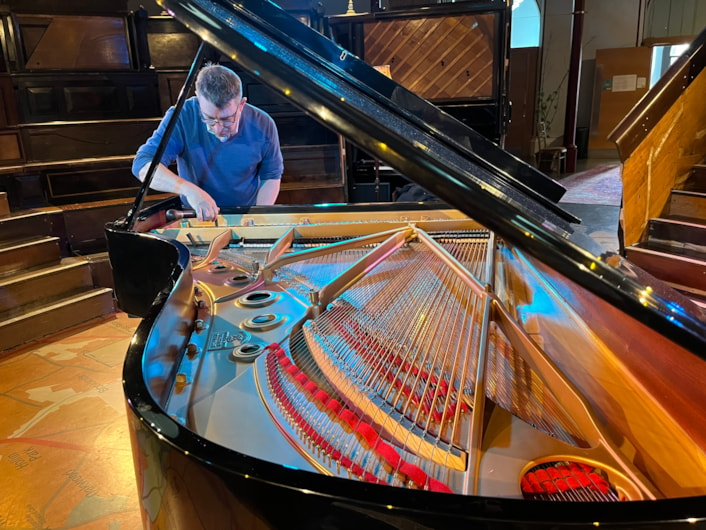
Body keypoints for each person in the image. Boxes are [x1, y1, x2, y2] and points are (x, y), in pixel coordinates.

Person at [132, 63, 284, 221]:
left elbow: (271, 176)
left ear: (241, 105)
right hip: (196, 216)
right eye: (209, 119)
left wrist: (258, 216)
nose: (217, 129)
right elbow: (143, 165)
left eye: (227, 120)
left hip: (245, 215)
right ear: (198, 98)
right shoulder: (183, 115)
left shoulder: (263, 123)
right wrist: (189, 190)